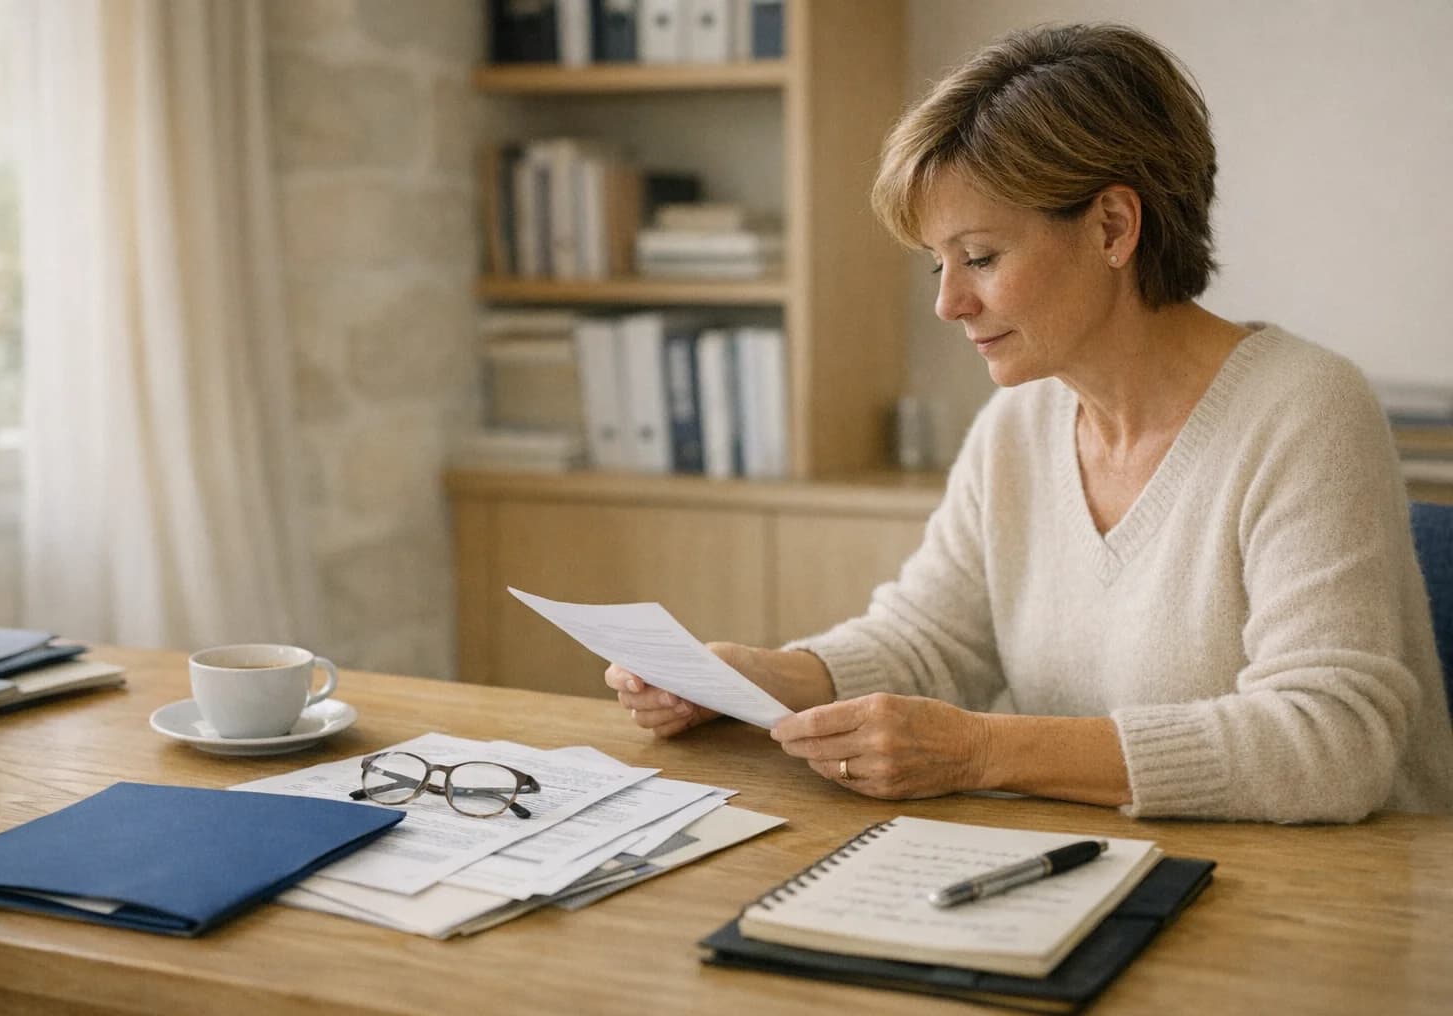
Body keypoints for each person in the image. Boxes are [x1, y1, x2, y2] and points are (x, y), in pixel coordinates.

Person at [606, 22, 1453, 823]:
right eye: (938, 264)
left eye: (979, 258)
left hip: (1331, 909)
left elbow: (1333, 742)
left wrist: (980, 751)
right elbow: (932, 639)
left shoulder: (1305, 410)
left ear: (1114, 226)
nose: (948, 302)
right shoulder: (1020, 421)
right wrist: (769, 675)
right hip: (1093, 865)